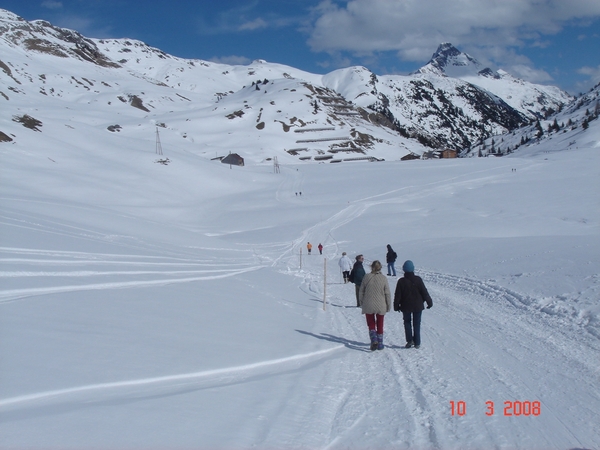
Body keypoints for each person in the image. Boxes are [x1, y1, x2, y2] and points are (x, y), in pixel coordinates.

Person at [393, 260, 433, 349]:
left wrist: (396, 306)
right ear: (413, 269)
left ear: (404, 270)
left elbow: (397, 295)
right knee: (417, 323)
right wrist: (429, 301)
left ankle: (409, 340)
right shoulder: (418, 279)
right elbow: (424, 292)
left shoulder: (401, 281)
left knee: (407, 322)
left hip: (405, 306)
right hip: (418, 305)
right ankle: (417, 342)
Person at [359, 260, 391, 350]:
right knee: (380, 323)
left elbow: (361, 291)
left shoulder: (366, 277)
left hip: (368, 303)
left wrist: (361, 302)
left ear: (371, 267)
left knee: (371, 322)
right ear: (380, 268)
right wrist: (388, 305)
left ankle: (374, 339)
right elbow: (387, 293)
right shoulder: (383, 278)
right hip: (381, 304)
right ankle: (380, 343)